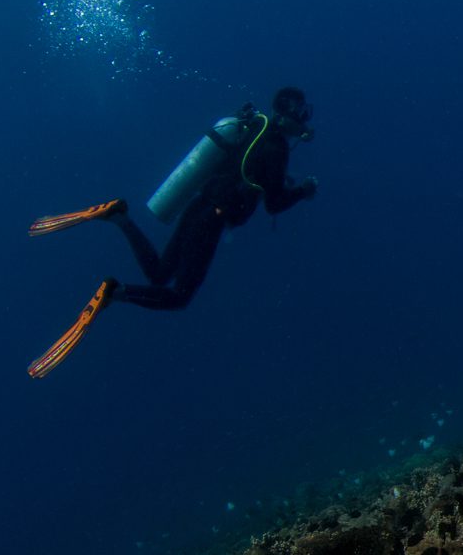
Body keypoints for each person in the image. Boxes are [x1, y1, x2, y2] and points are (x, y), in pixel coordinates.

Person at [25, 87, 320, 378]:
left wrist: (282, 182)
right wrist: (303, 191)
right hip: (212, 221)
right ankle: (113, 292)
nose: (304, 120)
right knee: (179, 296)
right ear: (286, 115)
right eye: (301, 113)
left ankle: (119, 217)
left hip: (198, 207)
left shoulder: (254, 128)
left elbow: (251, 171)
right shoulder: (277, 146)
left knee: (160, 275)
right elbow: (274, 203)